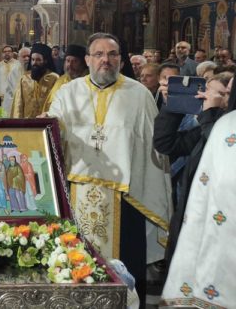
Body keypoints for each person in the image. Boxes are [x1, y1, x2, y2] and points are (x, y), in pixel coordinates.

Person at [46, 32, 171, 305]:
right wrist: (42, 126)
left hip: (126, 198)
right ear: (88, 59)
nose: (106, 60)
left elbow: (153, 148)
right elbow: (52, 131)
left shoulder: (139, 95)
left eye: (112, 54)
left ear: (121, 60)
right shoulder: (67, 92)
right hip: (75, 193)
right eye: (99, 54)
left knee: (127, 272)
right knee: (73, 265)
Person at [161, 85, 236, 307]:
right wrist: (175, 104)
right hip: (200, 224)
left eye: (226, 93)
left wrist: (209, 116)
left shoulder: (221, 124)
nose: (221, 98)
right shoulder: (222, 124)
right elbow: (166, 142)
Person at [11, 43, 58, 118]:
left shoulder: (54, 79)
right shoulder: (24, 79)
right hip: (27, 123)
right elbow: (18, 104)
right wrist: (17, 123)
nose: (34, 63)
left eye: (38, 60)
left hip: (47, 122)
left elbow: (57, 104)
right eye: (32, 59)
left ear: (45, 61)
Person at [43, 44, 88, 111]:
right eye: (68, 61)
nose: (70, 64)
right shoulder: (61, 80)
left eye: (75, 61)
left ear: (82, 63)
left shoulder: (88, 82)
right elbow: (50, 104)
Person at [0, 45, 23, 117]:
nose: (7, 53)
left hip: (14, 94)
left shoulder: (18, 64)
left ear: (12, 53)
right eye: (5, 52)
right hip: (1, 96)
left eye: (9, 51)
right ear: (2, 54)